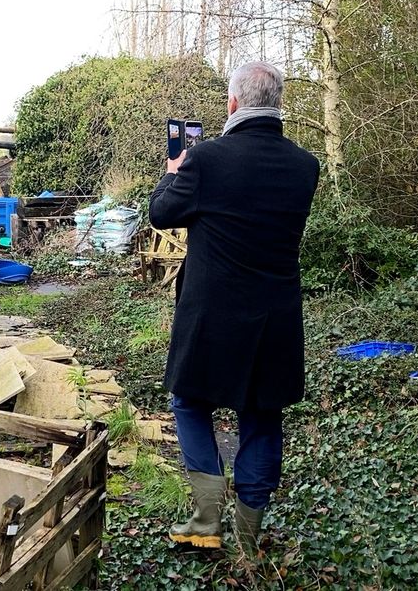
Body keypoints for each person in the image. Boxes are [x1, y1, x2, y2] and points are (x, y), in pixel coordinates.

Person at [149, 61, 319, 554]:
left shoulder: (205, 159)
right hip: (275, 320)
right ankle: (247, 539)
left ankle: (206, 521)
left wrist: (173, 173)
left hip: (211, 316)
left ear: (233, 104)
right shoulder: (304, 166)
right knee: (263, 417)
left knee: (188, 402)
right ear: (279, 103)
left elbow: (163, 213)